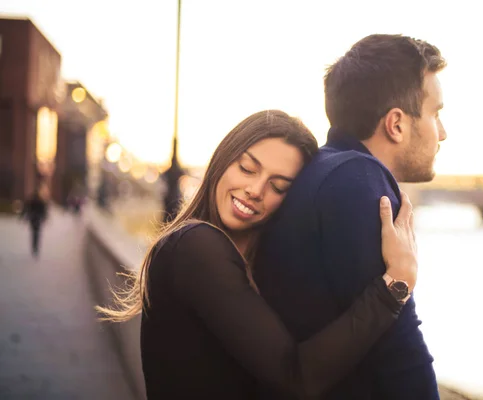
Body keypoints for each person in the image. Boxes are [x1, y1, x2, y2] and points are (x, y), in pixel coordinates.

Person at [97, 110, 420, 399]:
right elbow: (296, 377)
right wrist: (393, 288)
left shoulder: (243, 262)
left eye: (278, 187)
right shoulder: (196, 247)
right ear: (224, 159)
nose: (256, 190)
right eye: (248, 168)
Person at [254, 34, 447, 399]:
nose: (443, 133)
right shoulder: (359, 180)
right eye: (436, 113)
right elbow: (400, 351)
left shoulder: (327, 169)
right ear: (397, 124)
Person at [21, 187, 48, 258]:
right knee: (36, 233)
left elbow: (26, 209)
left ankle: (34, 247)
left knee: (34, 233)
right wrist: (44, 217)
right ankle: (35, 247)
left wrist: (24, 217)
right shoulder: (40, 201)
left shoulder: (31, 201)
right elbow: (44, 210)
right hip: (37, 219)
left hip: (33, 219)